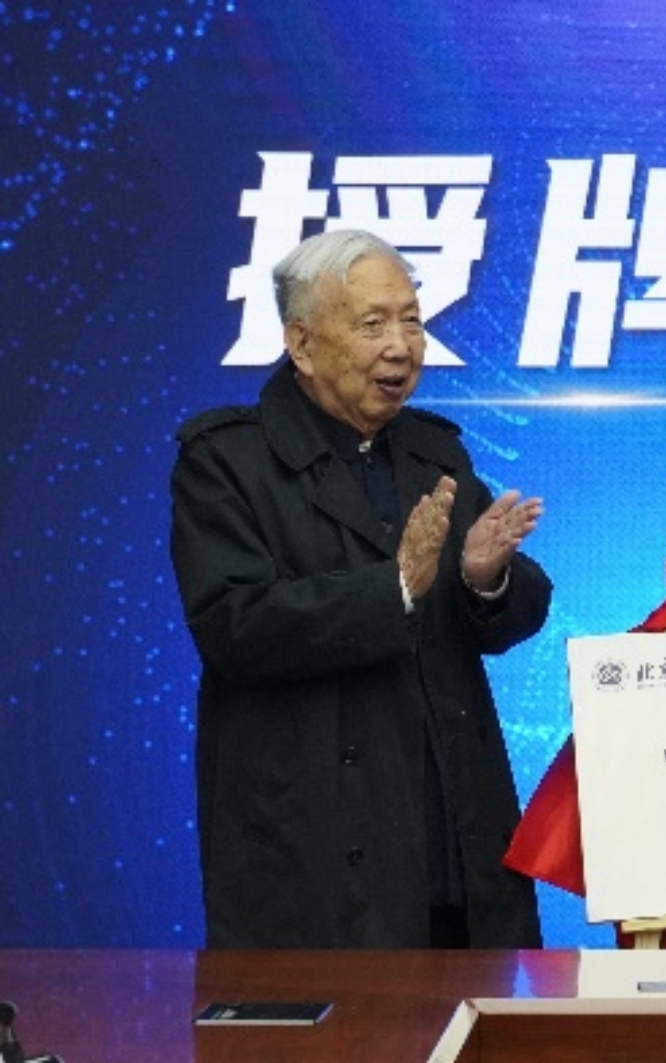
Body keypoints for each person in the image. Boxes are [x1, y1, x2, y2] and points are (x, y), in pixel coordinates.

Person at [169, 229, 553, 949]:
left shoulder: (434, 452)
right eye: (373, 324)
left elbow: (515, 608)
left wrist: (485, 578)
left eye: (411, 321)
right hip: (315, 855)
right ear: (302, 342)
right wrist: (394, 588)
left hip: (453, 846)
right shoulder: (228, 463)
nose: (401, 347)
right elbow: (234, 624)